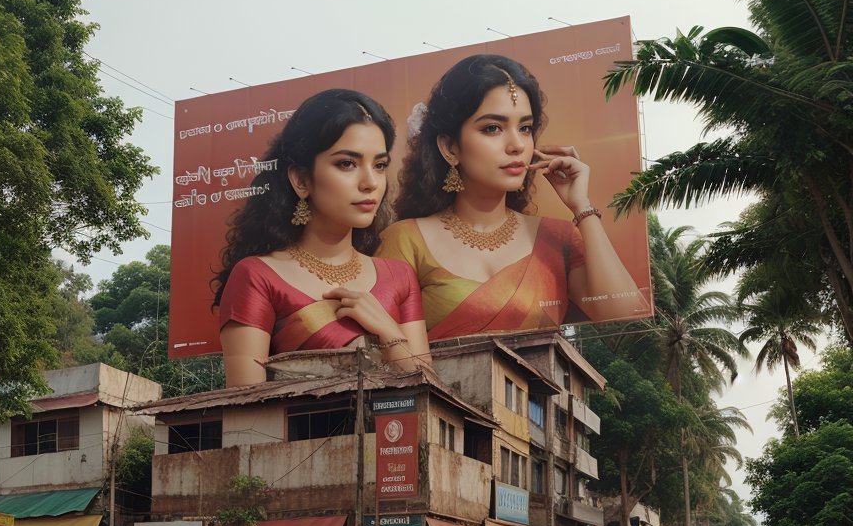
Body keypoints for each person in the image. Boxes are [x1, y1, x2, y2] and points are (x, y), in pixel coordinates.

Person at [377, 54, 647, 337]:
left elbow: (625, 319)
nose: (517, 145)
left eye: (525, 128)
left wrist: (582, 206)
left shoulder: (558, 239)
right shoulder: (405, 240)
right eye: (492, 128)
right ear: (450, 148)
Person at [212, 89, 431, 386]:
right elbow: (245, 411)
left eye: (379, 165)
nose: (370, 183)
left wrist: (389, 332)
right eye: (347, 164)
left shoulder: (399, 277)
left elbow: (430, 393)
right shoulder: (257, 277)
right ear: (302, 180)